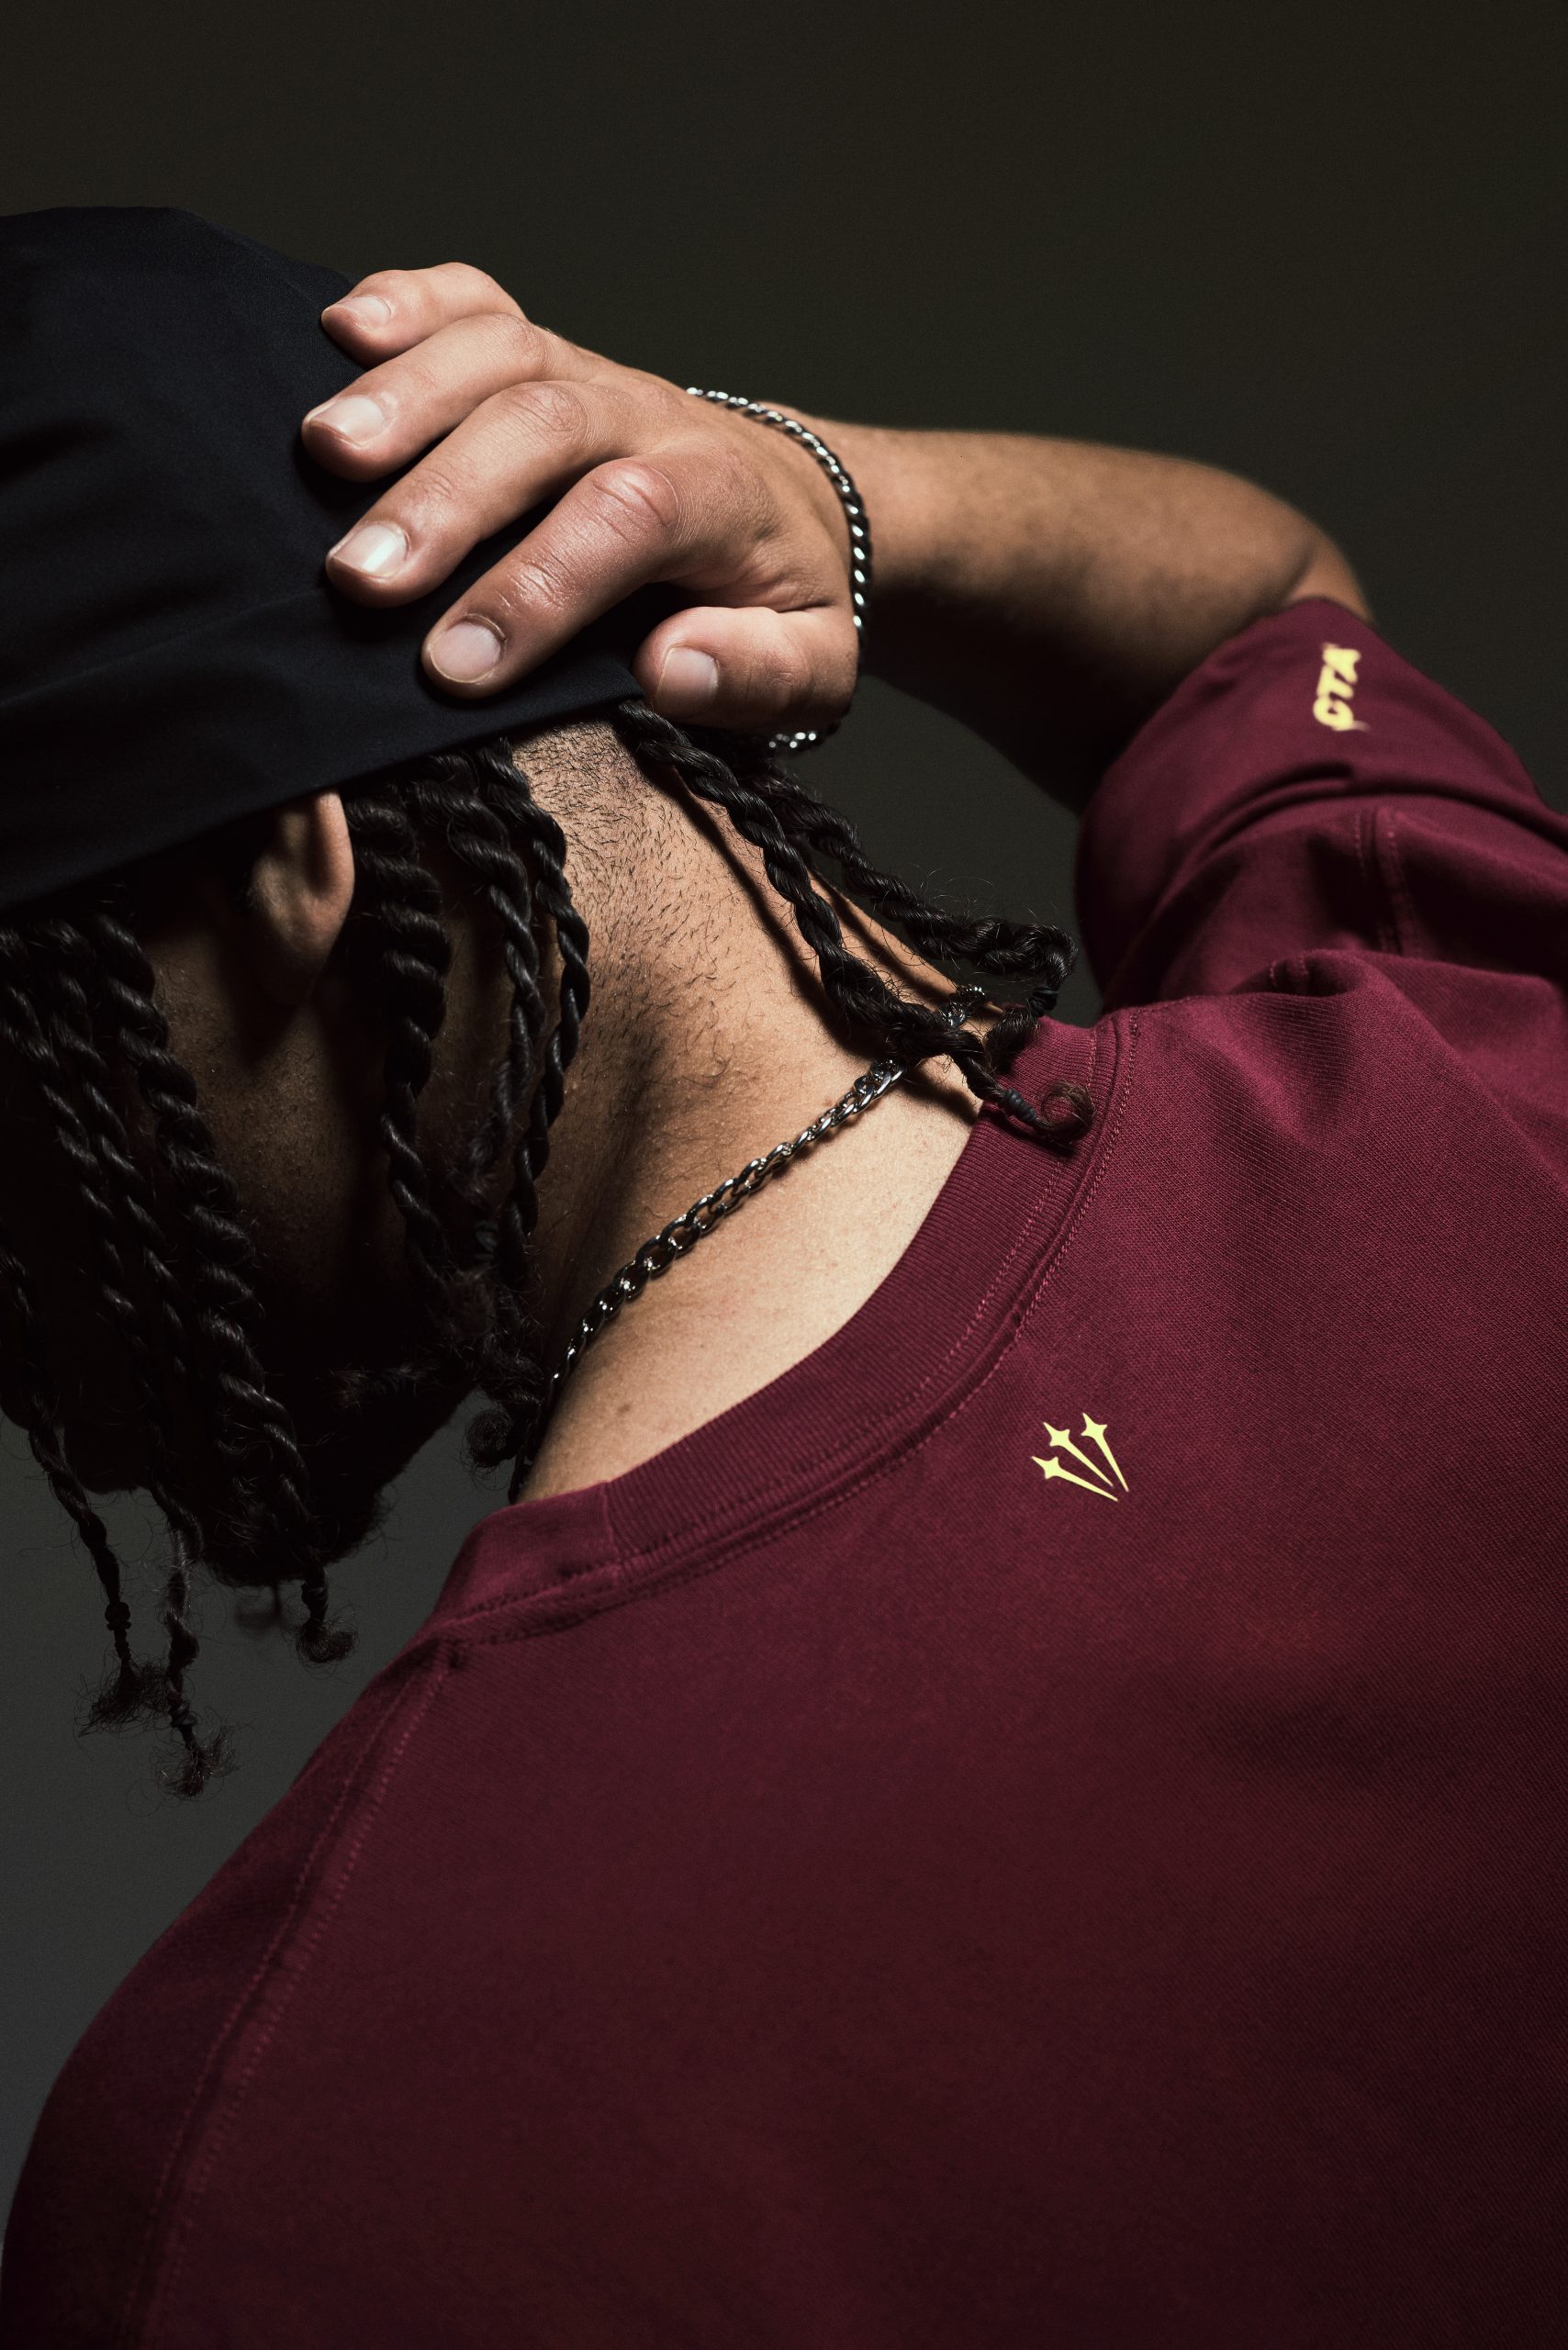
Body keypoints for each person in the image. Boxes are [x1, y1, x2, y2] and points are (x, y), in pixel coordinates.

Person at [0, 207, 1563, 2347]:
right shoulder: (1466, 1091)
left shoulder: (265, 2171)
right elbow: (1262, 607)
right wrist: (814, 488)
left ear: (287, 872)